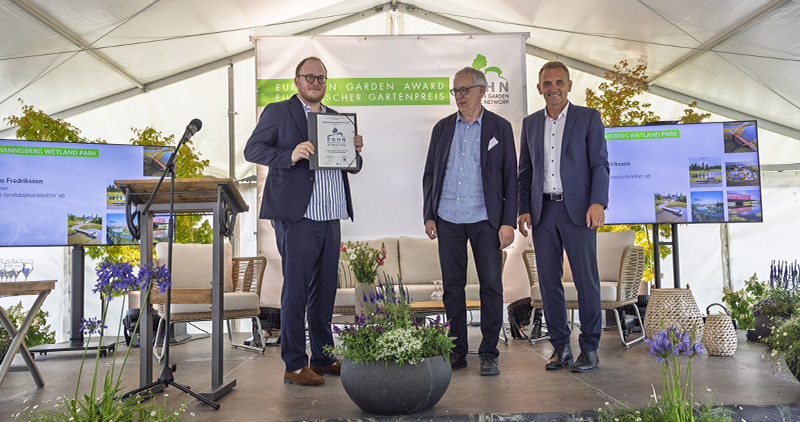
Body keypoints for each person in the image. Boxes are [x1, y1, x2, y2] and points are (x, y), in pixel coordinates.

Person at [244, 56, 364, 386]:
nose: (315, 83)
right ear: (296, 81)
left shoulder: (336, 118)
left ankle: (322, 357)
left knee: (325, 290)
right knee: (296, 291)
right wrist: (289, 155)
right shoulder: (278, 111)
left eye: (321, 78)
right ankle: (295, 364)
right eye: (309, 77)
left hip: (331, 212)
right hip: (297, 215)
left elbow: (352, 166)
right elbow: (252, 150)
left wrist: (355, 150)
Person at [422, 66, 517, 376]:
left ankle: (489, 352)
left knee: (491, 286)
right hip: (447, 216)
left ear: (482, 91)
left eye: (464, 90)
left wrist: (508, 222)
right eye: (456, 91)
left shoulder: (500, 128)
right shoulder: (442, 128)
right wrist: (429, 214)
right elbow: (430, 174)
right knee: (452, 288)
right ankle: (456, 351)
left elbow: (510, 178)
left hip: (486, 218)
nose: (459, 96)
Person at [517, 61, 609, 373]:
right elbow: (524, 172)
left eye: (559, 82)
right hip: (542, 212)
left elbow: (600, 164)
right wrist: (523, 208)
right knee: (548, 282)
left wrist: (598, 202)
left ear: (569, 85)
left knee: (586, 280)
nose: (553, 88)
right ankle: (560, 347)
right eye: (547, 83)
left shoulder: (588, 117)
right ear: (539, 87)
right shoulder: (530, 123)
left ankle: (590, 348)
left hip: (580, 211)